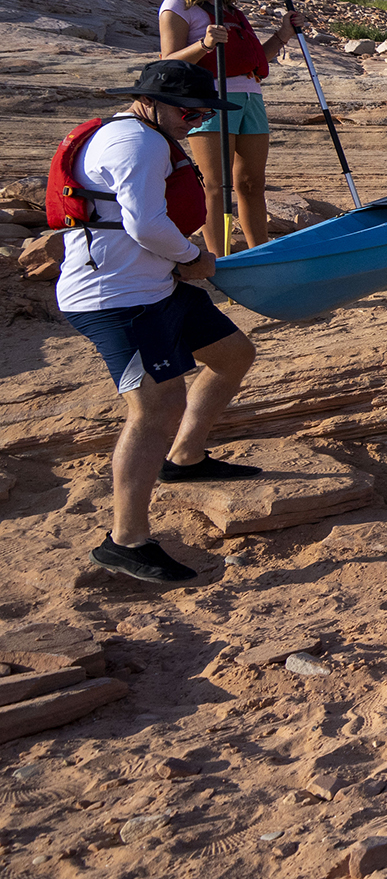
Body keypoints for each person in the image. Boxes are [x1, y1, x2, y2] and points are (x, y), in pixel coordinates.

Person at [55, 61, 264, 585]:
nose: (193, 124)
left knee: (233, 354)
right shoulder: (137, 143)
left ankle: (186, 457)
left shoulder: (143, 135)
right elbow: (145, 222)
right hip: (116, 297)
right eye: (186, 112)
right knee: (155, 406)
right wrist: (196, 255)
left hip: (157, 285)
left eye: (200, 115)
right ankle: (125, 542)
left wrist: (182, 263)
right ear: (148, 102)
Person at [158, 0, 301, 249]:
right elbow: (168, 62)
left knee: (251, 184)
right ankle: (218, 258)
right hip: (210, 101)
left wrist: (283, 33)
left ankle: (260, 254)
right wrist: (204, 45)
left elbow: (254, 59)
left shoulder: (229, 10)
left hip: (250, 98)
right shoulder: (179, 6)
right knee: (215, 185)